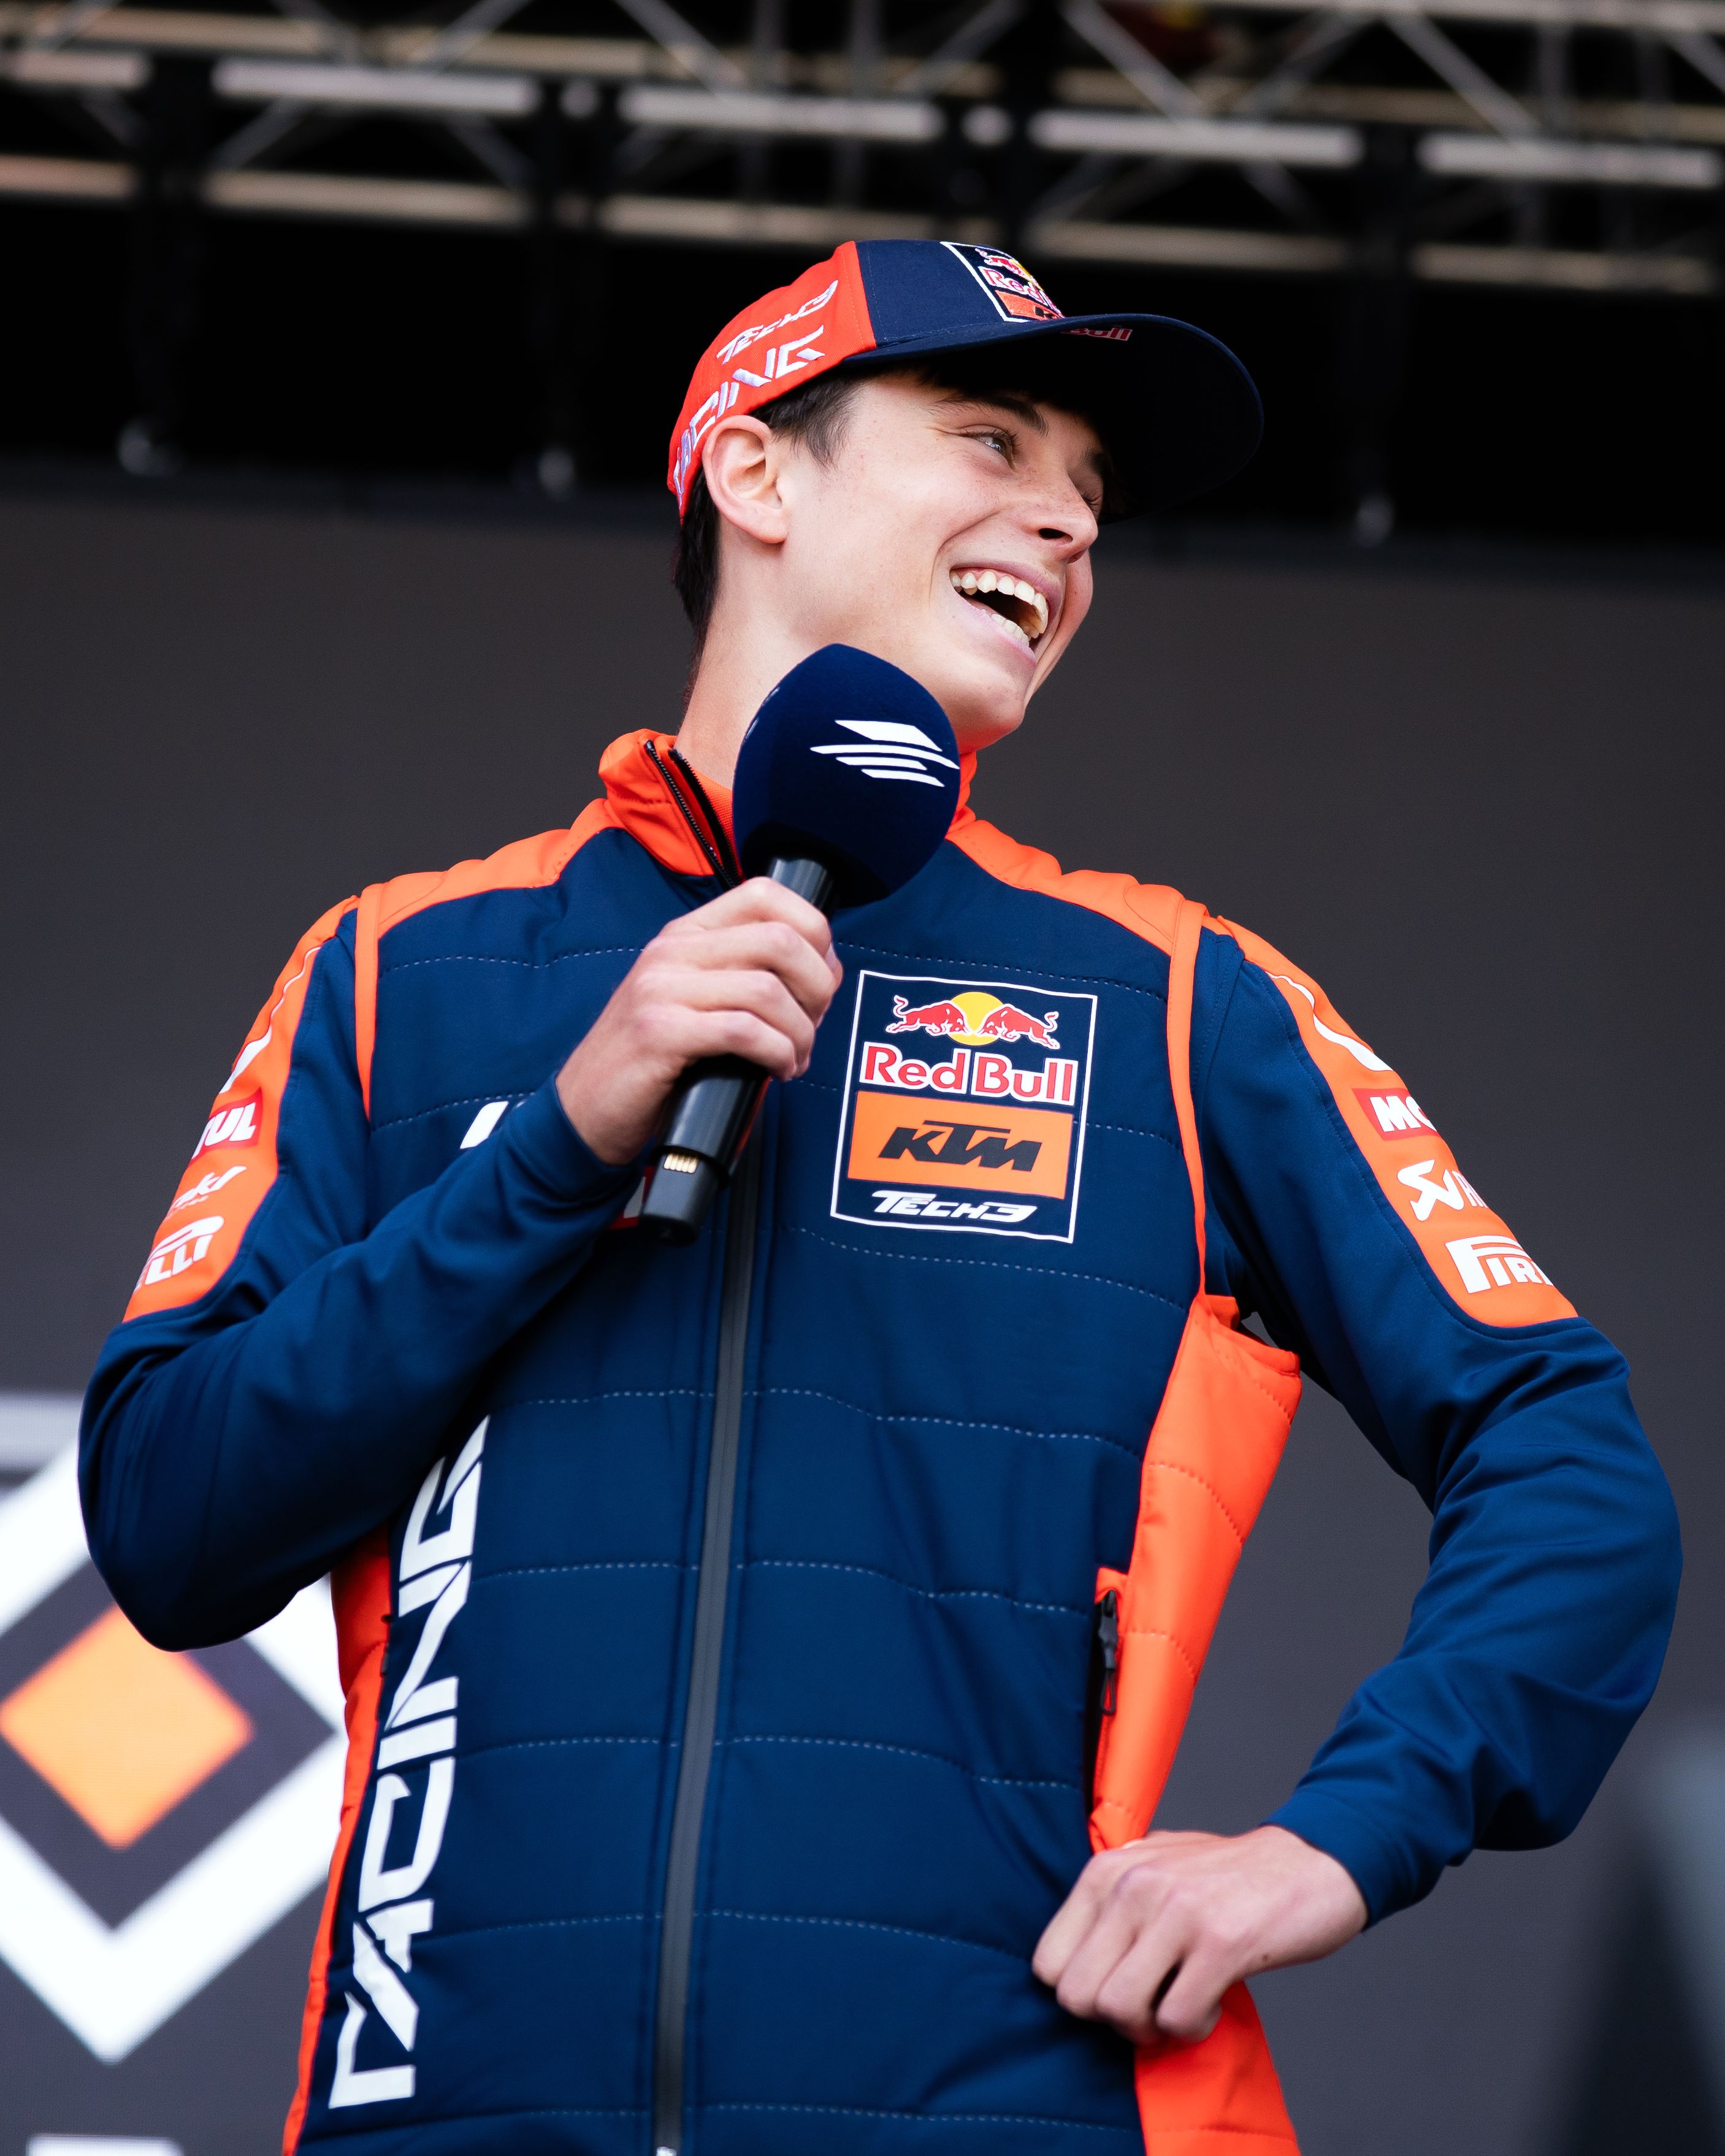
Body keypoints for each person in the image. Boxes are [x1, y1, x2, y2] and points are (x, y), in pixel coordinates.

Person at [82, 242, 1679, 2156]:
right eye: (993, 439)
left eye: (1091, 492)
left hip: (1012, 2113)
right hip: (450, 2112)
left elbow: (1569, 1450)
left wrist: (1343, 1834)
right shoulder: (394, 974)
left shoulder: (1178, 1000)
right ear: (756, 472)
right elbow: (165, 1515)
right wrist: (558, 1145)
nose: (1066, 524)